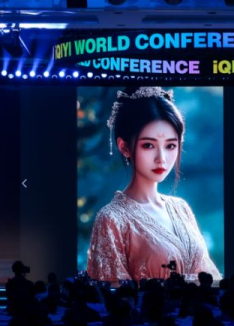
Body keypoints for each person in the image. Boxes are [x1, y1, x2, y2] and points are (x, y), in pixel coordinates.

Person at [87, 86, 221, 283]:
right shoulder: (111, 219)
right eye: (148, 145)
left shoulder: (181, 208)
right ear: (124, 147)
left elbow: (210, 277)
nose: (161, 158)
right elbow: (113, 292)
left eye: (170, 146)